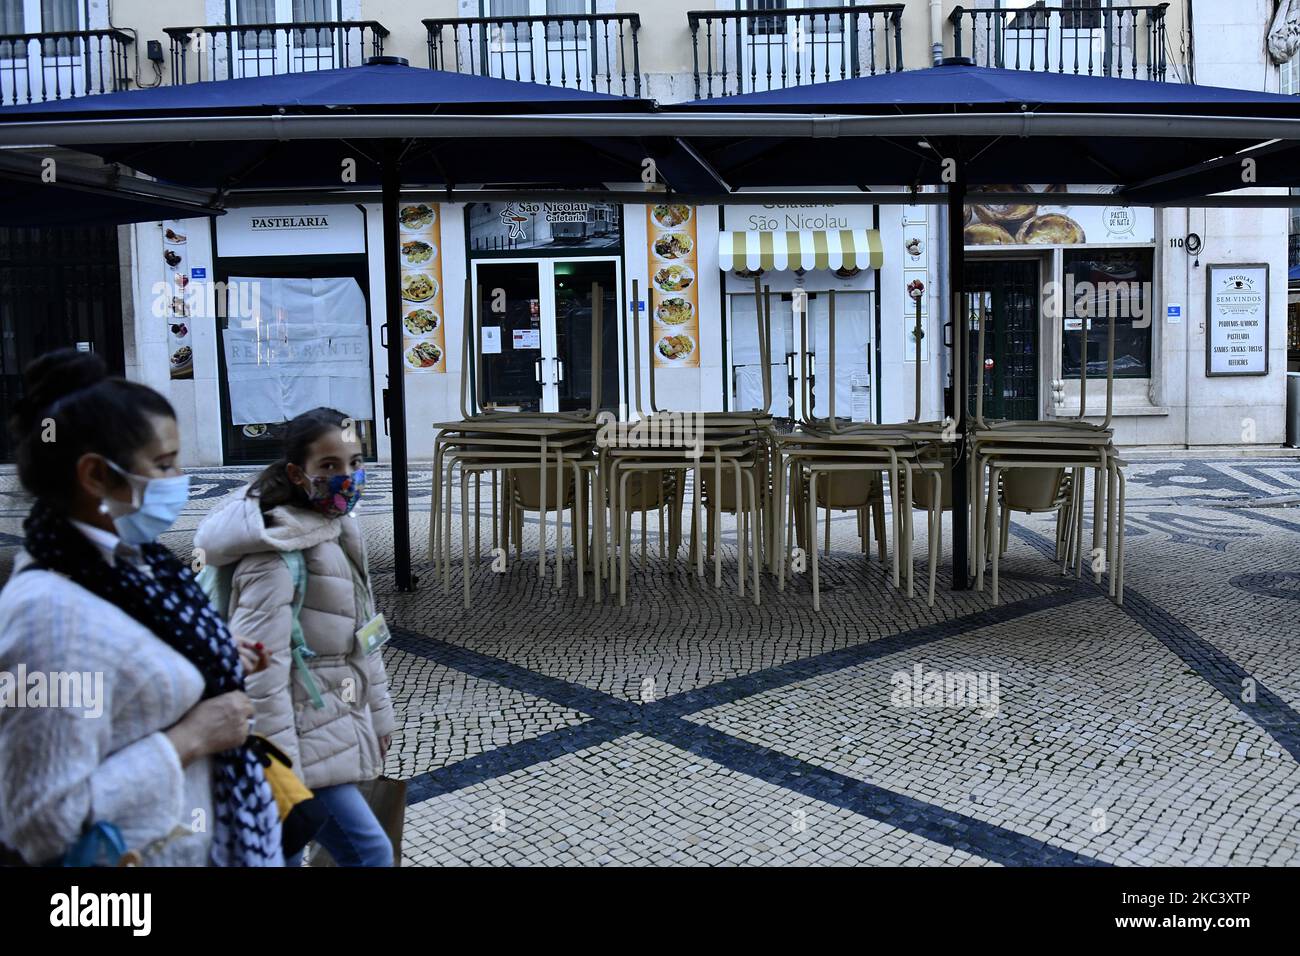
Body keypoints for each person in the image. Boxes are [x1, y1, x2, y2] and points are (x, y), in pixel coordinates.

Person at [0, 349, 282, 866]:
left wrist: (208, 653)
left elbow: (128, 669)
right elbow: (41, 823)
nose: (180, 479)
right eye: (164, 463)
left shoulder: (129, 567)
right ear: (95, 476)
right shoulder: (51, 616)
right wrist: (192, 737)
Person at [195, 407, 396, 867]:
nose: (346, 477)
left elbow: (364, 635)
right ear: (296, 473)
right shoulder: (275, 555)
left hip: (333, 728)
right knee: (371, 853)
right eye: (329, 466)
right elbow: (260, 676)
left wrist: (379, 719)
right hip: (298, 746)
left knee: (291, 855)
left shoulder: (339, 527)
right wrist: (282, 771)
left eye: (355, 463)